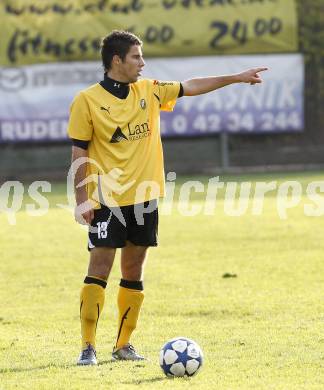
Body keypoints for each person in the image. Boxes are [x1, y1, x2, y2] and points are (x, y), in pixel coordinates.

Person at [67, 30, 267, 365]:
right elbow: (79, 153)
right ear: (117, 61)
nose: (142, 63)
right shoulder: (87, 100)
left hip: (145, 198)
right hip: (106, 200)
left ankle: (123, 346)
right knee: (99, 268)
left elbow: (191, 86)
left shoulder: (149, 90)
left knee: (133, 270)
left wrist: (236, 78)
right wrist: (82, 199)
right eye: (136, 57)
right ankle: (87, 347)